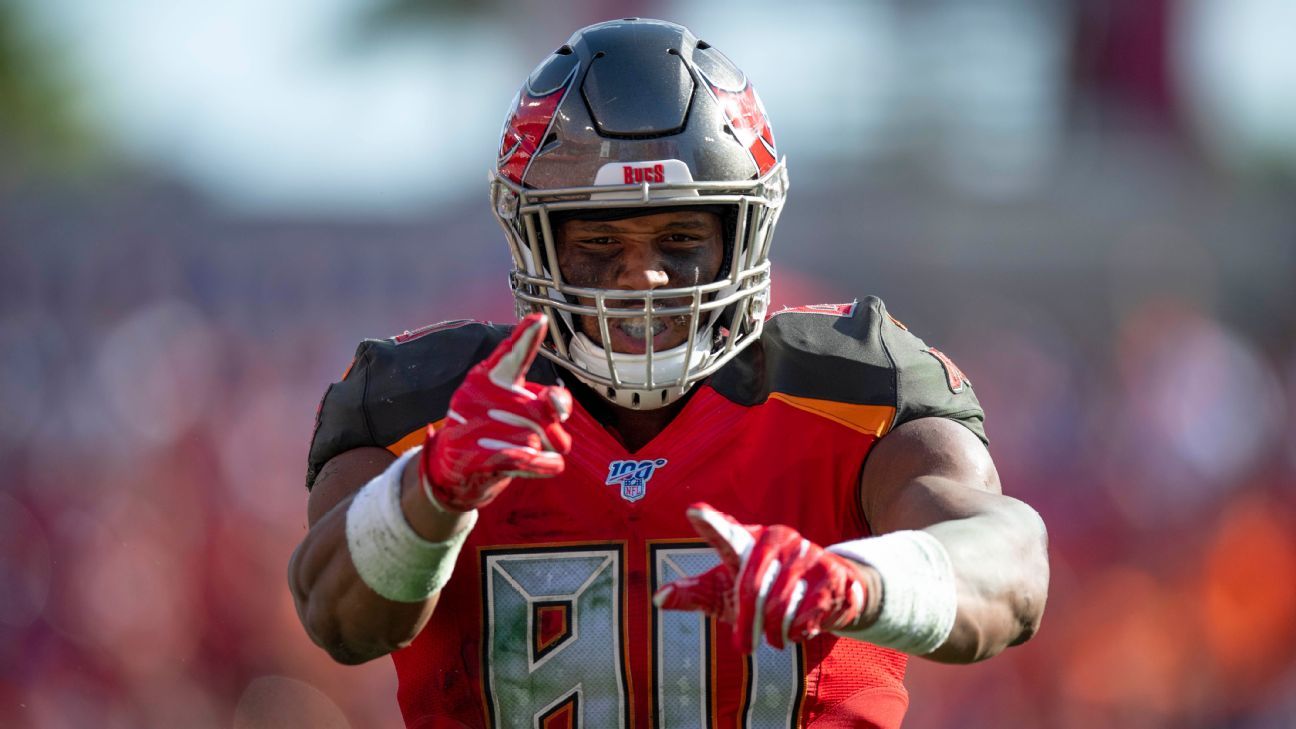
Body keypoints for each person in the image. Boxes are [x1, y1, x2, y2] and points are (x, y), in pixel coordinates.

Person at [288, 17, 1049, 729]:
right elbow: (338, 617)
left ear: (745, 230)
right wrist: (427, 493)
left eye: (682, 234)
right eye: (599, 240)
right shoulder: (425, 403)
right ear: (532, 236)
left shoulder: (856, 389)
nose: (644, 277)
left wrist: (862, 581)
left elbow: (1012, 569)